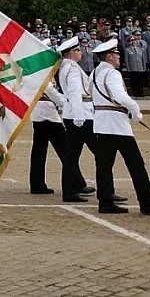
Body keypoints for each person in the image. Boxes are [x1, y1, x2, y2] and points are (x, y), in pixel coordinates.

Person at [88, 39, 150, 215]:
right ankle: (147, 203)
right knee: (136, 165)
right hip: (118, 126)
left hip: (101, 124)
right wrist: (136, 111)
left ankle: (105, 202)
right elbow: (121, 97)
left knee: (104, 166)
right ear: (109, 56)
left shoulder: (94, 73)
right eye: (116, 54)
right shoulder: (112, 74)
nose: (119, 57)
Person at [56, 37, 96, 203]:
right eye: (78, 50)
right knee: (100, 153)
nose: (81, 53)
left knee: (71, 155)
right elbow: (75, 93)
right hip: (80, 115)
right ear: (71, 53)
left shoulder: (68, 67)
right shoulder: (72, 69)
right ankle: (107, 191)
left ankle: (69, 191)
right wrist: (80, 116)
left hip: (72, 114)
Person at [28, 48, 66, 196]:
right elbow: (50, 91)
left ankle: (37, 183)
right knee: (65, 149)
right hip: (47, 113)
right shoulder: (43, 73)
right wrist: (65, 103)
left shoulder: (40, 71)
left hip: (40, 113)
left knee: (39, 149)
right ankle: (76, 181)